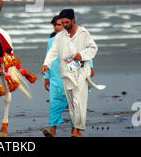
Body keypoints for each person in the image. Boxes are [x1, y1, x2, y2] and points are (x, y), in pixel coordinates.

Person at [41, 8, 98, 137]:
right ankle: (53, 131)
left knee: (76, 103)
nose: (59, 27)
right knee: (55, 103)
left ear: (73, 20)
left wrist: (88, 65)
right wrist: (46, 72)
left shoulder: (82, 34)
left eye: (62, 24)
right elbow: (51, 53)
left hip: (76, 73)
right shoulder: (54, 40)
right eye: (57, 24)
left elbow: (89, 49)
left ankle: (75, 131)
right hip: (57, 76)